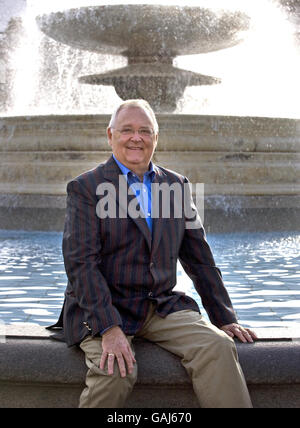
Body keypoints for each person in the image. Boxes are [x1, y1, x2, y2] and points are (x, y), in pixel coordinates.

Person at [50, 99, 257, 408]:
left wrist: (223, 316)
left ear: (156, 138)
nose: (137, 138)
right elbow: (81, 265)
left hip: (159, 305)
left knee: (217, 346)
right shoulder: (86, 188)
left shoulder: (176, 186)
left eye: (145, 131)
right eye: (128, 130)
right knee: (116, 370)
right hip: (103, 307)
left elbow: (198, 257)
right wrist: (108, 327)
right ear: (110, 135)